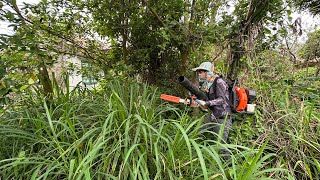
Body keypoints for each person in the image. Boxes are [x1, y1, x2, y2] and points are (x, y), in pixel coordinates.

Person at [192, 62, 232, 158]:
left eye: (201, 72)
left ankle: (230, 167)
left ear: (207, 72)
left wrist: (207, 103)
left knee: (221, 146)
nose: (200, 74)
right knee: (198, 131)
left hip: (223, 117)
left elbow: (222, 99)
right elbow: (209, 102)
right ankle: (195, 154)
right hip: (214, 115)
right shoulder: (208, 84)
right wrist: (199, 103)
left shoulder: (219, 82)